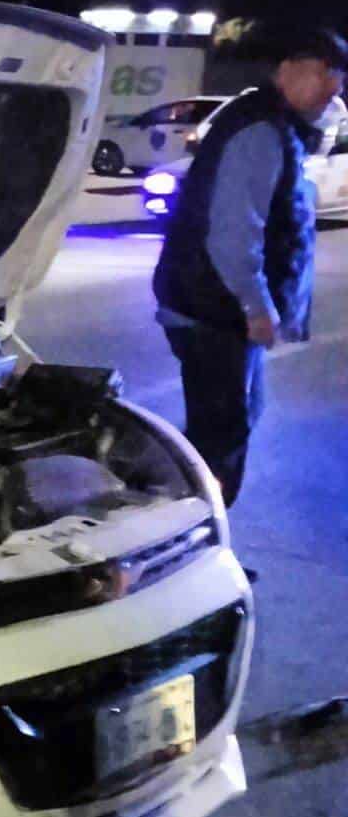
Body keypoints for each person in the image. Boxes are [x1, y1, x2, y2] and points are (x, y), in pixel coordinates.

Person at [151, 26, 348, 509]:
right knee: (221, 436)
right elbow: (235, 233)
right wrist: (256, 306)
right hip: (215, 311)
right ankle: (191, 539)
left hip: (212, 307)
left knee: (225, 426)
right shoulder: (261, 130)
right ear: (288, 71)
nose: (334, 88)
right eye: (325, 74)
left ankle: (187, 526)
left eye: (339, 78)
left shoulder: (273, 127)